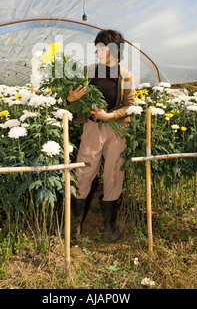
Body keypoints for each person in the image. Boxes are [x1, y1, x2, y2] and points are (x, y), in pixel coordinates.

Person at [66, 29, 135, 242]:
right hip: (93, 128)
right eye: (96, 47)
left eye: (101, 47)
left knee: (114, 174)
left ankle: (109, 225)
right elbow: (74, 100)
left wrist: (110, 115)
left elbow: (130, 105)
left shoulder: (125, 75)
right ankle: (73, 227)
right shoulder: (88, 72)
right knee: (83, 171)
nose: (97, 51)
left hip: (117, 130)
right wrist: (70, 98)